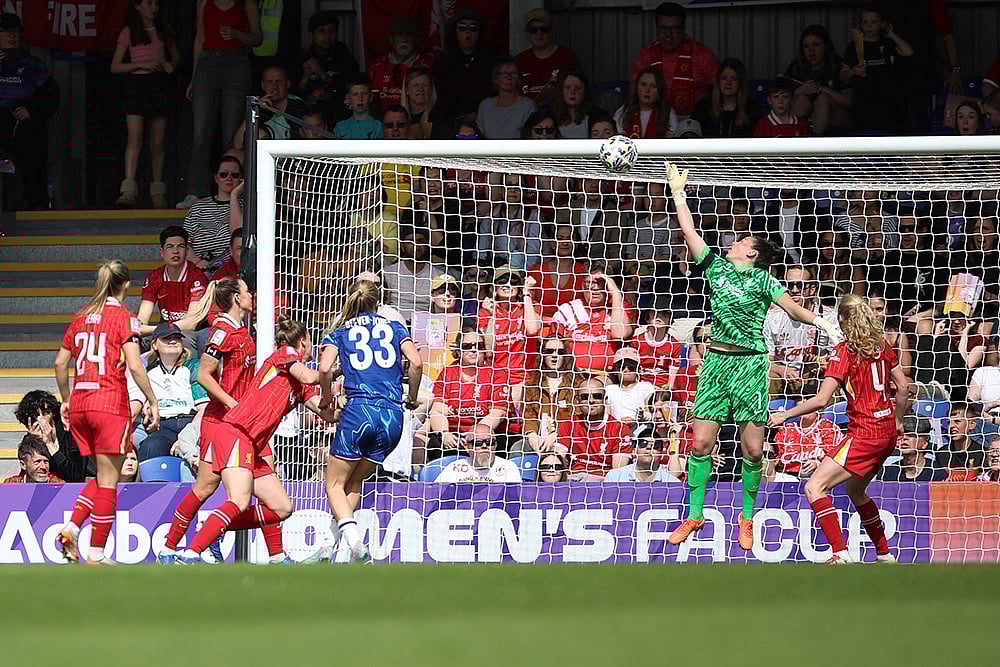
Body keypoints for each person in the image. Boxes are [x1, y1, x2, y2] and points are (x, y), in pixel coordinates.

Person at [662, 162, 841, 550]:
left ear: (753, 253)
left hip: (749, 364)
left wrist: (823, 324)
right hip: (716, 364)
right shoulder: (715, 268)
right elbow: (689, 231)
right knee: (700, 445)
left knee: (754, 449)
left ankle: (747, 518)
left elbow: (792, 309)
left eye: (741, 241)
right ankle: (694, 516)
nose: (733, 242)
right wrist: (678, 190)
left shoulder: (764, 279)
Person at [175, 316, 333, 565]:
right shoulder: (284, 355)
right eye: (312, 343)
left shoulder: (302, 383)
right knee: (238, 500)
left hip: (253, 443)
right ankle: (190, 554)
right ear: (303, 341)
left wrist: (341, 401)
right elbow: (311, 376)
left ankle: (216, 528)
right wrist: (334, 369)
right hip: (237, 432)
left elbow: (325, 411)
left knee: (282, 508)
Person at [769, 294, 908, 564]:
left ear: (843, 319)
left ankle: (840, 553)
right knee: (855, 491)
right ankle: (884, 554)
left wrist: (785, 415)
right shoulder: (881, 345)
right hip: (887, 432)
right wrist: (899, 420)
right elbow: (903, 388)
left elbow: (822, 400)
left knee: (814, 487)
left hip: (865, 433)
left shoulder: (843, 352)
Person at [54, 261, 160, 565]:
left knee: (103, 475)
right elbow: (135, 365)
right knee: (110, 482)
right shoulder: (124, 319)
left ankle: (73, 527)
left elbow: (61, 364)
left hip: (82, 405)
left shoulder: (79, 317)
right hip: (109, 404)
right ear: (125, 286)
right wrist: (152, 400)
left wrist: (65, 399)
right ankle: (97, 553)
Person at [315, 279, 422, 561]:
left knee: (334, 485)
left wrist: (326, 398)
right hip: (392, 416)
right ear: (378, 303)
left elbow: (324, 368)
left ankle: (356, 545)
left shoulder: (339, 332)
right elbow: (417, 363)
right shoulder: (396, 327)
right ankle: (328, 546)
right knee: (352, 484)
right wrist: (411, 396)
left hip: (359, 412)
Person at [158, 278, 258, 563]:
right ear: (237, 299)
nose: (251, 295)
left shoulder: (242, 331)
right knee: (218, 489)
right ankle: (180, 545)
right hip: (222, 422)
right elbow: (203, 375)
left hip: (238, 422)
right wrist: (232, 403)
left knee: (216, 488)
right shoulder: (221, 334)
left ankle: (183, 543)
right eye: (247, 291)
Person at [177, 0, 261, 209]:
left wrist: (237, 34)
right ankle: (195, 192)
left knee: (231, 133)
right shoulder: (204, 3)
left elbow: (257, 38)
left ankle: (232, 191)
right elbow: (199, 40)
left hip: (237, 62)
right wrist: (194, 78)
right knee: (201, 131)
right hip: (208, 63)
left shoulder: (247, 3)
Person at [111, 0, 180, 208]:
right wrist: (141, 64)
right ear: (137, 6)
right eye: (149, 3)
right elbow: (115, 66)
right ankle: (128, 191)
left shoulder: (162, 30)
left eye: (156, 3)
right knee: (135, 138)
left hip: (158, 85)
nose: (154, 7)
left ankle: (158, 193)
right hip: (136, 85)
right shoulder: (128, 32)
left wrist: (170, 65)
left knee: (157, 143)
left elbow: (175, 56)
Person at [0, 13, 59, 210]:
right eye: (6, 33)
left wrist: (31, 110)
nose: (11, 37)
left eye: (15, 33)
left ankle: (37, 204)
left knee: (34, 141)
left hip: (24, 118)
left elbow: (51, 93)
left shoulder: (32, 64)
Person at [128, 322, 208, 462]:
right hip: (163, 425)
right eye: (166, 338)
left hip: (191, 423)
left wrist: (185, 438)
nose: (172, 341)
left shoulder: (194, 366)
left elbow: (203, 408)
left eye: (177, 338)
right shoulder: (147, 371)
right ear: (154, 345)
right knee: (151, 447)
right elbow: (136, 402)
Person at [427, 326, 510, 457]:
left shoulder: (497, 373)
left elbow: (497, 414)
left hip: (486, 435)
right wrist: (444, 433)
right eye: (467, 346)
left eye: (479, 345)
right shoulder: (448, 373)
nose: (473, 349)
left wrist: (475, 434)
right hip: (454, 435)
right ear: (459, 350)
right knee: (435, 445)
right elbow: (437, 411)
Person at [630, 2, 719, 118]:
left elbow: (722, 88)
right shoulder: (645, 56)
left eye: (674, 29)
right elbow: (634, 94)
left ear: (683, 29)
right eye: (663, 29)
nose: (668, 36)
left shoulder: (702, 55)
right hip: (656, 122)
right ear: (656, 30)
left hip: (696, 122)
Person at [764, 265, 839, 398]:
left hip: (814, 375)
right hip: (783, 377)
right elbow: (766, 361)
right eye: (789, 285)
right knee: (769, 376)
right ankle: (768, 416)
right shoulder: (772, 317)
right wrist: (782, 370)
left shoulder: (829, 317)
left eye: (800, 285)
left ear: (812, 289)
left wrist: (822, 363)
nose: (794, 290)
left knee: (830, 379)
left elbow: (838, 357)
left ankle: (823, 417)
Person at [840, 3, 914, 134]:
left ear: (882, 23)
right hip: (862, 104)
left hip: (887, 104)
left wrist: (892, 35)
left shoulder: (888, 43)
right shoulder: (854, 46)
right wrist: (853, 71)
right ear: (860, 24)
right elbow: (842, 75)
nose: (869, 26)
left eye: (874, 22)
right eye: (865, 22)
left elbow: (908, 52)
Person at [479, 268, 541, 404]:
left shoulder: (529, 306)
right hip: (497, 376)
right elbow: (488, 350)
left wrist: (527, 294)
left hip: (524, 376)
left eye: (513, 282)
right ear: (494, 286)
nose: (508, 284)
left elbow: (532, 330)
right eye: (502, 281)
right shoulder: (485, 312)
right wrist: (492, 315)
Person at [552, 272, 633, 374]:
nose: (595, 288)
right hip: (571, 374)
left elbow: (620, 335)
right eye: (590, 282)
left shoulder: (620, 309)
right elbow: (554, 346)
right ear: (582, 285)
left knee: (591, 387)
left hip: (608, 375)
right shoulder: (567, 310)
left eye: (600, 283)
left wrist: (616, 293)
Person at [556, 376, 632, 480]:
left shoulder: (620, 429)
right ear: (578, 400)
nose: (591, 401)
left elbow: (618, 472)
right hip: (573, 479)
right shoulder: (569, 424)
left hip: (603, 482)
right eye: (585, 397)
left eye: (597, 396)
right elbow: (557, 457)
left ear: (605, 400)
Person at [138, 226, 209, 335]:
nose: (175, 251)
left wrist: (157, 330)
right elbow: (142, 319)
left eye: (180, 246)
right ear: (162, 252)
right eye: (170, 247)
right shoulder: (154, 278)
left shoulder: (197, 278)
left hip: (191, 334)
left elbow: (191, 323)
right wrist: (141, 328)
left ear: (187, 251)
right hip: (164, 332)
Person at [295, 10, 360, 125]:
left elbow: (352, 90)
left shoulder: (345, 58)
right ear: (312, 35)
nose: (327, 36)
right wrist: (305, 78)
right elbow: (294, 96)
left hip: (341, 119)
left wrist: (322, 74)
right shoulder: (304, 59)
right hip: (311, 121)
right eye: (321, 31)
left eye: (331, 31)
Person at [784, 25, 852, 136]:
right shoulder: (795, 68)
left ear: (825, 45)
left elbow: (851, 102)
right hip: (807, 118)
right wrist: (799, 91)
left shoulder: (838, 66)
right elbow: (779, 99)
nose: (811, 51)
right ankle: (790, 141)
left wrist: (823, 89)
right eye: (806, 46)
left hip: (838, 120)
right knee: (801, 98)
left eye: (816, 45)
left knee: (823, 98)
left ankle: (814, 143)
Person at [14, 390, 92, 481]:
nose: (41, 419)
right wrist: (36, 443)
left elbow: (76, 477)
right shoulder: (29, 439)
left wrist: (50, 445)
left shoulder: (72, 433)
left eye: (45, 413)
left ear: (53, 414)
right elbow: (30, 476)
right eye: (35, 415)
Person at [183, 156, 243, 273]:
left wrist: (234, 195)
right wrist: (198, 262)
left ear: (241, 179)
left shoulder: (248, 206)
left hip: (233, 270)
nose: (229, 178)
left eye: (235, 175)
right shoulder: (198, 207)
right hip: (200, 269)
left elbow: (238, 233)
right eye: (223, 174)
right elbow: (184, 242)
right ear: (216, 178)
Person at [520, 335, 577, 456]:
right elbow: (528, 415)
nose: (554, 356)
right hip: (539, 437)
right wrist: (532, 435)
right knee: (517, 448)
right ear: (542, 355)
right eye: (549, 351)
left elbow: (578, 418)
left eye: (560, 352)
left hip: (568, 438)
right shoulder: (531, 384)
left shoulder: (577, 383)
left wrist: (557, 435)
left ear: (566, 355)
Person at [434, 9, 495, 119]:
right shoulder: (444, 62)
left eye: (473, 28)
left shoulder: (490, 61)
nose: (468, 32)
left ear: (479, 33)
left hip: (485, 118)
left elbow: (494, 93)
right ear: (455, 33)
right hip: (451, 120)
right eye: (462, 28)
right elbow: (440, 96)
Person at [383, 224, 450, 321]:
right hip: (394, 323)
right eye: (410, 241)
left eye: (420, 241)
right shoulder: (389, 272)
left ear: (426, 245)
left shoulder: (437, 275)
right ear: (402, 246)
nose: (416, 246)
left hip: (426, 324)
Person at [516, 8, 581, 106]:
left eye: (544, 29)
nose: (539, 33)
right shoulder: (519, 61)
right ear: (527, 33)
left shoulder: (567, 57)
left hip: (560, 116)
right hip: (527, 118)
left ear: (552, 31)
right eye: (533, 30)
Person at [368, 17, 432, 112]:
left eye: (409, 35)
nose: (404, 40)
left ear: (416, 41)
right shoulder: (377, 67)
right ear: (391, 40)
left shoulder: (427, 67)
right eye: (399, 35)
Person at [527, 224, 589, 319]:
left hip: (574, 328)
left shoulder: (584, 271)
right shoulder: (537, 271)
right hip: (541, 326)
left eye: (569, 238)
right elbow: (529, 304)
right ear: (552, 243)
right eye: (560, 238)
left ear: (576, 244)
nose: (565, 243)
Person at [692, 58, 761, 138]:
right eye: (724, 78)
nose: (728, 83)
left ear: (741, 83)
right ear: (718, 81)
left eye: (734, 79)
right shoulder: (703, 107)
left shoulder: (752, 110)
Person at [771, 406, 843, 479]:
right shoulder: (785, 430)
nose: (803, 404)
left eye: (808, 399)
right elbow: (776, 459)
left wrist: (819, 464)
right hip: (788, 476)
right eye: (800, 401)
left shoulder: (828, 428)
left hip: (820, 476)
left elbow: (837, 458)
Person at [477, 59, 536, 140]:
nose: (509, 77)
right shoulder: (485, 105)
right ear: (496, 78)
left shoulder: (528, 105)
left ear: (518, 79)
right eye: (504, 74)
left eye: (513, 74)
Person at [631, 300, 682, 391]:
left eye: (664, 313)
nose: (659, 316)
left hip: (662, 388)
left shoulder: (673, 344)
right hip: (640, 386)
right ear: (647, 317)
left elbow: (672, 380)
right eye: (654, 312)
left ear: (670, 319)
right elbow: (632, 371)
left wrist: (666, 389)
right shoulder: (637, 341)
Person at [878, 415, 946, 481]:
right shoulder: (887, 474)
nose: (904, 438)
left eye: (911, 435)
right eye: (901, 434)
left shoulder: (937, 474)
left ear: (924, 444)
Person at [614, 66, 672, 139]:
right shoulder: (622, 113)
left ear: (659, 91)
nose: (647, 90)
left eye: (653, 86)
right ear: (636, 88)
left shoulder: (669, 114)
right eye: (643, 85)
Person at [606, 422, 677, 482]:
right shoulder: (615, 477)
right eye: (643, 443)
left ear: (662, 455)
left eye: (656, 445)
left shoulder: (671, 482)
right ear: (634, 451)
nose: (649, 447)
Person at [435, 436, 522, 483]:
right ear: (467, 447)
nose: (484, 446)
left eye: (489, 442)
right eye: (477, 443)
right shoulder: (454, 467)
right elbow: (434, 495)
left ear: (495, 446)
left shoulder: (508, 467)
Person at [605, 348, 656, 424]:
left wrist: (641, 416)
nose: (626, 370)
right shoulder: (609, 389)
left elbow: (653, 414)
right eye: (621, 366)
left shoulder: (646, 387)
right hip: (616, 429)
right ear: (616, 369)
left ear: (638, 370)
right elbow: (607, 414)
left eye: (631, 367)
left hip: (640, 429)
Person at [399, 66, 449, 139]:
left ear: (431, 89)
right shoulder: (397, 116)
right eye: (415, 85)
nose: (420, 89)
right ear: (406, 90)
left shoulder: (441, 117)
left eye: (425, 85)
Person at [552, 69, 595, 139]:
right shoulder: (550, 117)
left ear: (585, 91)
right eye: (568, 87)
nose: (572, 92)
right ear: (561, 90)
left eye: (578, 88)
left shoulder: (595, 116)